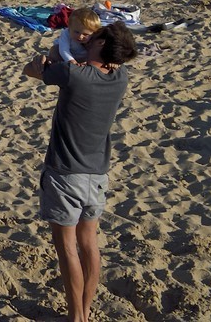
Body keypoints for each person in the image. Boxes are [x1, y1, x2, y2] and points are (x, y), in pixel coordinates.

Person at [23, 22, 138, 322]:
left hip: (64, 174)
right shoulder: (120, 77)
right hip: (97, 174)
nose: (86, 39)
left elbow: (31, 70)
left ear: (100, 45)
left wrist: (51, 55)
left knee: (68, 250)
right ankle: (85, 311)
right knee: (89, 244)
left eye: (93, 37)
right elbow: (107, 63)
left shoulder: (73, 75)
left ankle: (77, 317)